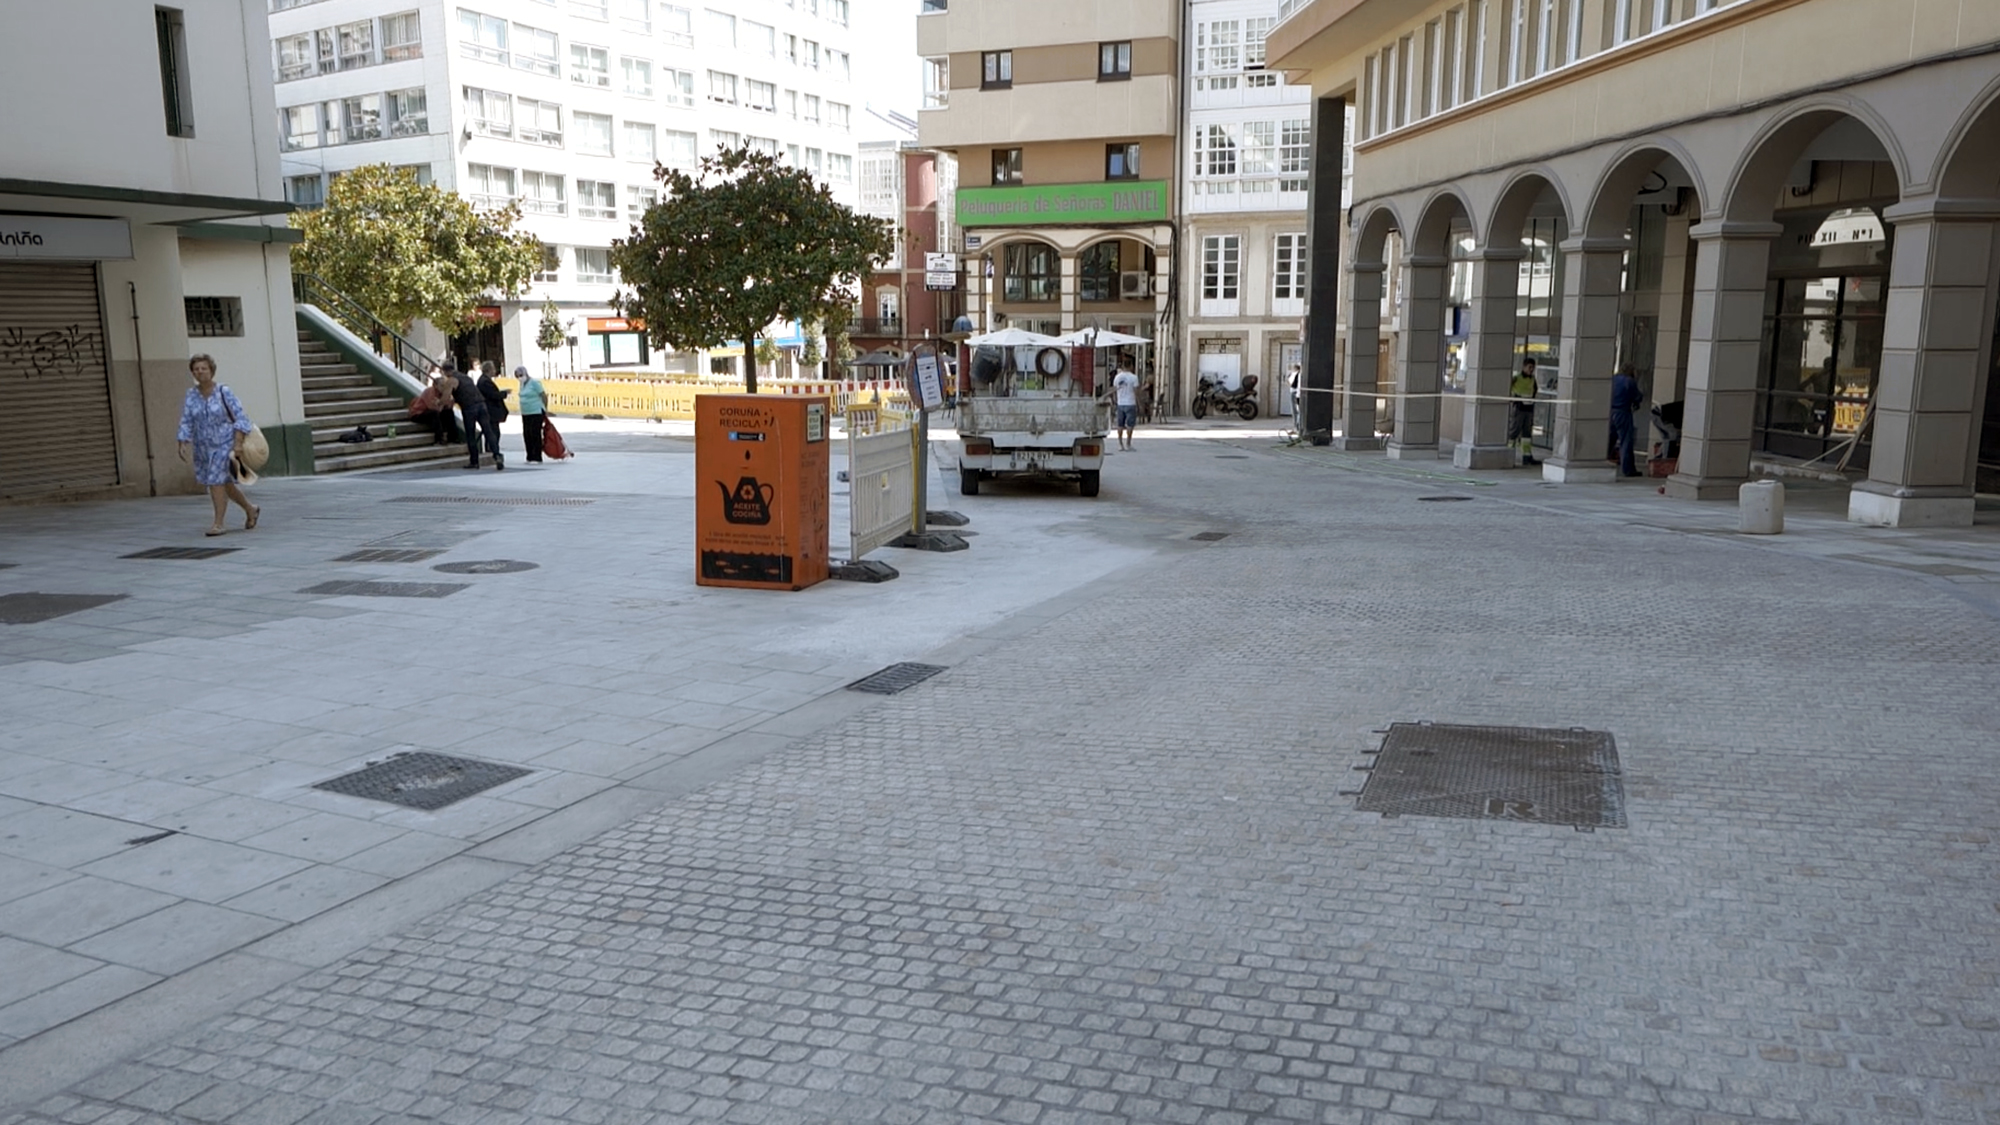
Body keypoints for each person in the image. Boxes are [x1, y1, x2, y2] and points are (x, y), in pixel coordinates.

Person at [175, 354, 259, 536]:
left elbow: (241, 418)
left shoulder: (223, 391)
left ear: (211, 370)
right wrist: (182, 441)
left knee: (215, 482)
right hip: (203, 447)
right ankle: (250, 509)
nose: (200, 372)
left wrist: (237, 443)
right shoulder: (191, 395)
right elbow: (186, 419)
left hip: (225, 444)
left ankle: (218, 523)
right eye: (196, 369)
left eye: (203, 368)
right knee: (224, 484)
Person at [444, 360, 500, 470]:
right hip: (481, 404)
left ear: (445, 371)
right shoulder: (466, 377)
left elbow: (446, 398)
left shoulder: (451, 380)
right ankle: (497, 455)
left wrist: (440, 403)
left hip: (469, 408)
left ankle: (474, 461)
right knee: (488, 431)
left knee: (471, 435)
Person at [408, 366, 461, 445]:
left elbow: (449, 405)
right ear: (435, 385)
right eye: (442, 385)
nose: (444, 388)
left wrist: (445, 403)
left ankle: (453, 437)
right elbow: (433, 407)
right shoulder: (429, 392)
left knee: (449, 412)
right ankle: (439, 438)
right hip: (418, 413)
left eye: (445, 385)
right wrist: (442, 404)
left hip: (433, 411)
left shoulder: (442, 394)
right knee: (434, 413)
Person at [1610, 361, 1645, 478]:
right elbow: (1637, 396)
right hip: (1623, 413)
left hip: (1610, 412)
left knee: (1609, 440)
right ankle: (1628, 469)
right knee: (1625, 441)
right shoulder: (1629, 381)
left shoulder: (1613, 379)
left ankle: (1601, 462)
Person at [476, 361, 510, 465]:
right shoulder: (485, 382)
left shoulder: (484, 380)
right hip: (490, 411)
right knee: (493, 432)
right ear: (489, 370)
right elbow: (492, 395)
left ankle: (491, 449)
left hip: (490, 411)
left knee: (493, 431)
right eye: (493, 369)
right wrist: (504, 393)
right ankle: (492, 451)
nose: (494, 371)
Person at [514, 365, 548, 462]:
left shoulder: (534, 383)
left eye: (521, 375)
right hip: (525, 413)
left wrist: (545, 409)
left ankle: (537, 456)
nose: (519, 378)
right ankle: (530, 455)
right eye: (517, 376)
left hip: (536, 412)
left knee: (535, 433)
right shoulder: (522, 384)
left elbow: (543, 395)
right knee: (527, 434)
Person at [1510, 358, 1540, 466]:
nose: (1531, 370)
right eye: (1529, 367)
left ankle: (1526, 456)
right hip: (1519, 407)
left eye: (1533, 368)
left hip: (1529, 408)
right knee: (1514, 431)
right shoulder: (1516, 378)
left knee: (1527, 433)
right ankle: (1509, 455)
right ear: (1524, 367)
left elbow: (1535, 390)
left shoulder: (1532, 379)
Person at [1110, 359, 1141, 451]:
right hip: (1130, 403)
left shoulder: (1117, 377)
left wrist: (1115, 400)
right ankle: (1128, 443)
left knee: (1120, 424)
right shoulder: (1134, 377)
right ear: (1131, 366)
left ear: (1123, 366)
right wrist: (1139, 403)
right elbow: (1136, 392)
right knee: (1130, 425)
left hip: (1120, 403)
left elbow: (1114, 390)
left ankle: (1120, 444)